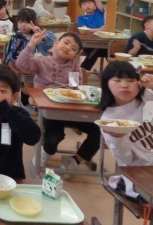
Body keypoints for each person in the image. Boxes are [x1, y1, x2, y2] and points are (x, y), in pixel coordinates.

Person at [16, 31, 101, 177]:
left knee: (98, 131)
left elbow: (77, 88)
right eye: (66, 43)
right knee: (53, 138)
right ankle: (42, 158)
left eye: (73, 48)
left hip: (70, 110)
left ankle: (75, 160)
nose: (68, 48)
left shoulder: (74, 66)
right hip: (49, 111)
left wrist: (76, 91)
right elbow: (21, 64)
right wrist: (31, 45)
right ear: (56, 43)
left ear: (75, 55)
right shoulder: (42, 62)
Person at [98, 61, 153, 200]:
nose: (124, 85)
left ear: (139, 83)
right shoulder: (109, 120)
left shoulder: (152, 98)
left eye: (130, 80)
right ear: (106, 84)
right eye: (117, 80)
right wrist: (117, 139)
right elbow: (126, 160)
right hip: (147, 177)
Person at [4, 8, 55, 106]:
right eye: (21, 22)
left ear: (34, 23)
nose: (23, 25)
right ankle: (19, 97)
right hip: (17, 65)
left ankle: (25, 93)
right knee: (15, 84)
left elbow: (52, 42)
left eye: (27, 22)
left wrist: (41, 34)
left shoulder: (38, 36)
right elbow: (9, 54)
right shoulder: (15, 37)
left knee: (32, 86)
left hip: (35, 66)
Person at [78, 0, 107, 72]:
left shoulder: (99, 13)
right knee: (97, 49)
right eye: (84, 4)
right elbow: (84, 31)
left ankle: (114, 73)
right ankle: (82, 70)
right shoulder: (81, 18)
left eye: (89, 3)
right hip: (88, 45)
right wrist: (99, 30)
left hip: (103, 43)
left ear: (95, 6)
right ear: (82, 7)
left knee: (111, 51)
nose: (87, 6)